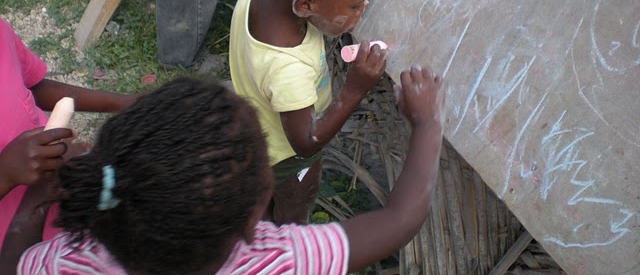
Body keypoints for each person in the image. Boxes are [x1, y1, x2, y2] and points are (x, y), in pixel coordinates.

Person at [8, 67, 444, 275]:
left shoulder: (65, 262)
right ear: (257, 215)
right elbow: (400, 220)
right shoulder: (278, 259)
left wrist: (33, 202)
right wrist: (426, 123)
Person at [229, 0, 387, 224]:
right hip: (287, 158)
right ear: (305, 5)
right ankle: (288, 246)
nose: (363, 10)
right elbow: (305, 142)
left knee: (262, 195)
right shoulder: (288, 70)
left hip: (254, 129)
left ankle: (261, 225)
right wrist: (354, 90)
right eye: (355, 5)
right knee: (295, 202)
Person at [0, 16, 137, 260]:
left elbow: (31, 86)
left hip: (58, 207)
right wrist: (5, 175)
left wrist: (125, 103)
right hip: (13, 247)